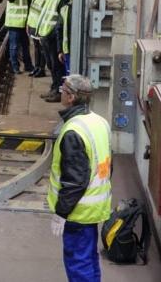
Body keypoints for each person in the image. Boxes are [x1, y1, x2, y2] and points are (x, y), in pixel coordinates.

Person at [48, 74, 112, 282]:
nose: (61, 94)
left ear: (71, 98)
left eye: (63, 91)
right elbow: (109, 164)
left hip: (79, 211)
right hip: (95, 207)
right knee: (89, 259)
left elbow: (74, 181)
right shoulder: (99, 122)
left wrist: (61, 213)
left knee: (78, 263)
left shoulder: (73, 131)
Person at [35, 0, 70, 102]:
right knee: (51, 65)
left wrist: (53, 35)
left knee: (57, 66)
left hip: (52, 36)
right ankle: (54, 88)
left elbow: (61, 19)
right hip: (45, 35)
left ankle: (59, 93)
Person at [3, 0, 34, 74]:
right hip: (14, 25)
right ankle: (15, 67)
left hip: (24, 25)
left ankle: (28, 66)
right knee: (14, 47)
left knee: (25, 46)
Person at [27, 0, 49, 77]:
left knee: (42, 49)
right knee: (36, 48)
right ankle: (36, 67)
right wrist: (28, 24)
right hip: (33, 26)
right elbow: (32, 12)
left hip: (40, 27)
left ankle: (42, 69)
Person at [58, 0, 73, 75]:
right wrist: (60, 50)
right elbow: (59, 30)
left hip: (73, 50)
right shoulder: (64, 9)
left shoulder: (66, 9)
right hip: (67, 49)